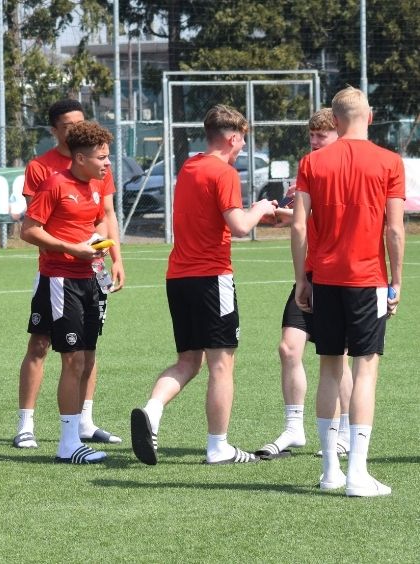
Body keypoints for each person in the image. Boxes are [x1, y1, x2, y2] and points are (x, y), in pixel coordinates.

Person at [130, 104, 276, 466]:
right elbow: (240, 226)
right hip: (212, 278)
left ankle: (152, 410)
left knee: (188, 361)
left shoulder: (190, 166)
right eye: (242, 139)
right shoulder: (223, 172)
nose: (243, 146)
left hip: (179, 278)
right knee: (222, 365)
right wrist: (260, 208)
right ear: (232, 137)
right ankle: (218, 446)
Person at [291, 87, 404, 497]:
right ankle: (357, 473)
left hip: (325, 279)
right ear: (369, 117)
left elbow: (300, 225)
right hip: (367, 280)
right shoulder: (389, 162)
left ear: (334, 120)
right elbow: (393, 229)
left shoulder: (312, 162)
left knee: (329, 369)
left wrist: (303, 278)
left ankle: (330, 472)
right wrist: (397, 281)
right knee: (365, 371)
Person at [13, 99, 125, 449]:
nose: (108, 164)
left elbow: (102, 217)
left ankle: (80, 429)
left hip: (91, 275)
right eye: (103, 157)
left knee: (86, 354)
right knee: (54, 350)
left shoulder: (95, 182)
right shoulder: (50, 178)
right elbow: (30, 229)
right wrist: (70, 247)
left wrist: (108, 250)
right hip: (59, 278)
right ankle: (47, 434)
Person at [255, 109, 353, 459]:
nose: (313, 141)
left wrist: (288, 214)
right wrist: (282, 212)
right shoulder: (308, 164)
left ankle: (343, 432)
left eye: (320, 135)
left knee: (336, 356)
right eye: (311, 135)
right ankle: (294, 429)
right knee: (288, 349)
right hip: (309, 274)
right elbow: (303, 216)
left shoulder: (344, 167)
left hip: (336, 276)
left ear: (338, 134)